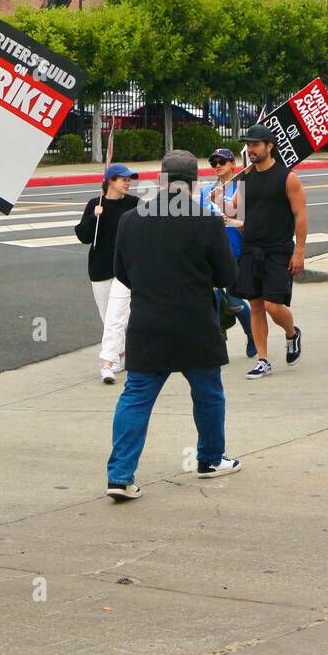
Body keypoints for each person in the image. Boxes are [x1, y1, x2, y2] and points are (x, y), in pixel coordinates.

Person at [105, 151, 241, 500]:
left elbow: (122, 271)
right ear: (194, 182)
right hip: (195, 321)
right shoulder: (206, 221)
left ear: (161, 180)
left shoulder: (132, 220)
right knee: (208, 393)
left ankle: (120, 476)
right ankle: (210, 460)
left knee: (135, 397)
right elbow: (227, 274)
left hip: (148, 321)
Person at [232, 123, 307, 379]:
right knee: (255, 305)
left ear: (269, 146)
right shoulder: (244, 178)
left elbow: (300, 216)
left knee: (273, 306)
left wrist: (299, 252)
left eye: (255, 145)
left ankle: (291, 333)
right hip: (251, 249)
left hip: (278, 250)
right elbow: (237, 215)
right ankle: (263, 359)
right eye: (248, 145)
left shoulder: (288, 178)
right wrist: (222, 204)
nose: (250, 149)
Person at [74, 163, 140, 383]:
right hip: (100, 269)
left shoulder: (134, 204)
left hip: (125, 269)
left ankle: (107, 364)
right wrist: (94, 217)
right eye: (124, 179)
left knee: (116, 318)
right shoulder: (95, 204)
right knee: (108, 318)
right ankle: (121, 355)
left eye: (130, 179)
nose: (128, 183)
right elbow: (83, 236)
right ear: (111, 181)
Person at [200, 148, 256, 358]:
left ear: (233, 164)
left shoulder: (242, 188)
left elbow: (246, 222)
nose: (217, 166)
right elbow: (203, 221)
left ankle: (252, 335)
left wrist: (226, 211)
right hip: (213, 252)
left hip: (235, 250)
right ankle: (218, 339)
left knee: (234, 302)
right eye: (214, 162)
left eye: (222, 162)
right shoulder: (207, 191)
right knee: (213, 297)